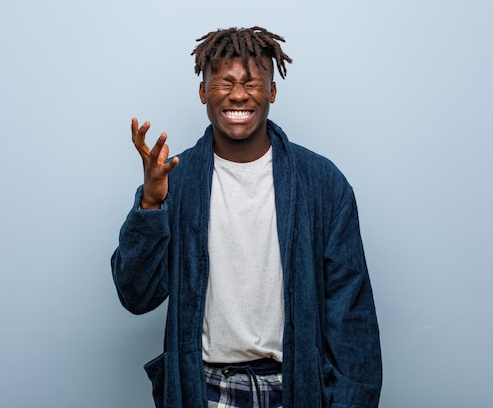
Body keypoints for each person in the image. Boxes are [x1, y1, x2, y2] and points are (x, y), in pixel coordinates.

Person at [111, 26, 382, 408]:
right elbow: (136, 295)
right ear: (204, 92)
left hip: (296, 388)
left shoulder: (321, 183)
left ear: (271, 92)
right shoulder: (177, 179)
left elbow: (350, 316)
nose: (239, 94)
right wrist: (151, 205)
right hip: (204, 389)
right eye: (225, 82)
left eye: (252, 82)